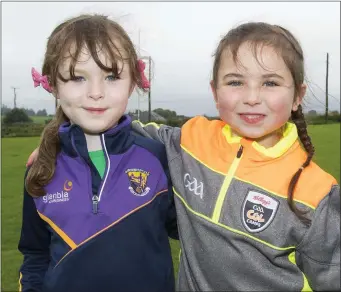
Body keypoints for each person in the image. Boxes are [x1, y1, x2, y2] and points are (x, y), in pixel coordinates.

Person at [27, 22, 340, 291]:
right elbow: (116, 129)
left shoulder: (316, 192)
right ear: (215, 92)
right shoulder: (189, 141)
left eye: (270, 82)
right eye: (235, 82)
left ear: (298, 95)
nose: (252, 97)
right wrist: (55, 142)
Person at [19, 14, 178, 292]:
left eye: (112, 76)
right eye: (77, 77)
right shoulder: (41, 170)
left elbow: (197, 233)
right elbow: (35, 256)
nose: (96, 92)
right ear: (53, 85)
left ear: (133, 83)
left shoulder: (159, 158)